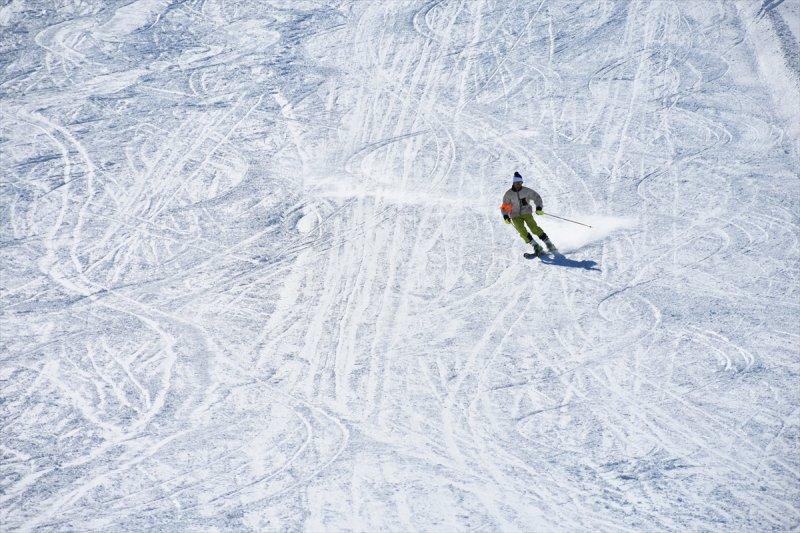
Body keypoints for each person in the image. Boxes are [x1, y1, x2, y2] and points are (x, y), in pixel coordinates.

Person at [500, 171, 558, 256]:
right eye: (517, 183)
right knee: (521, 231)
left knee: (534, 228)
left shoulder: (526, 191)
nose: (519, 184)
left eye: (520, 183)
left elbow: (537, 197)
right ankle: (535, 245)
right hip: (515, 215)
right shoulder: (509, 194)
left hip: (526, 212)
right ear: (514, 183)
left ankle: (548, 243)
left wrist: (539, 207)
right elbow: (505, 206)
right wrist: (505, 216)